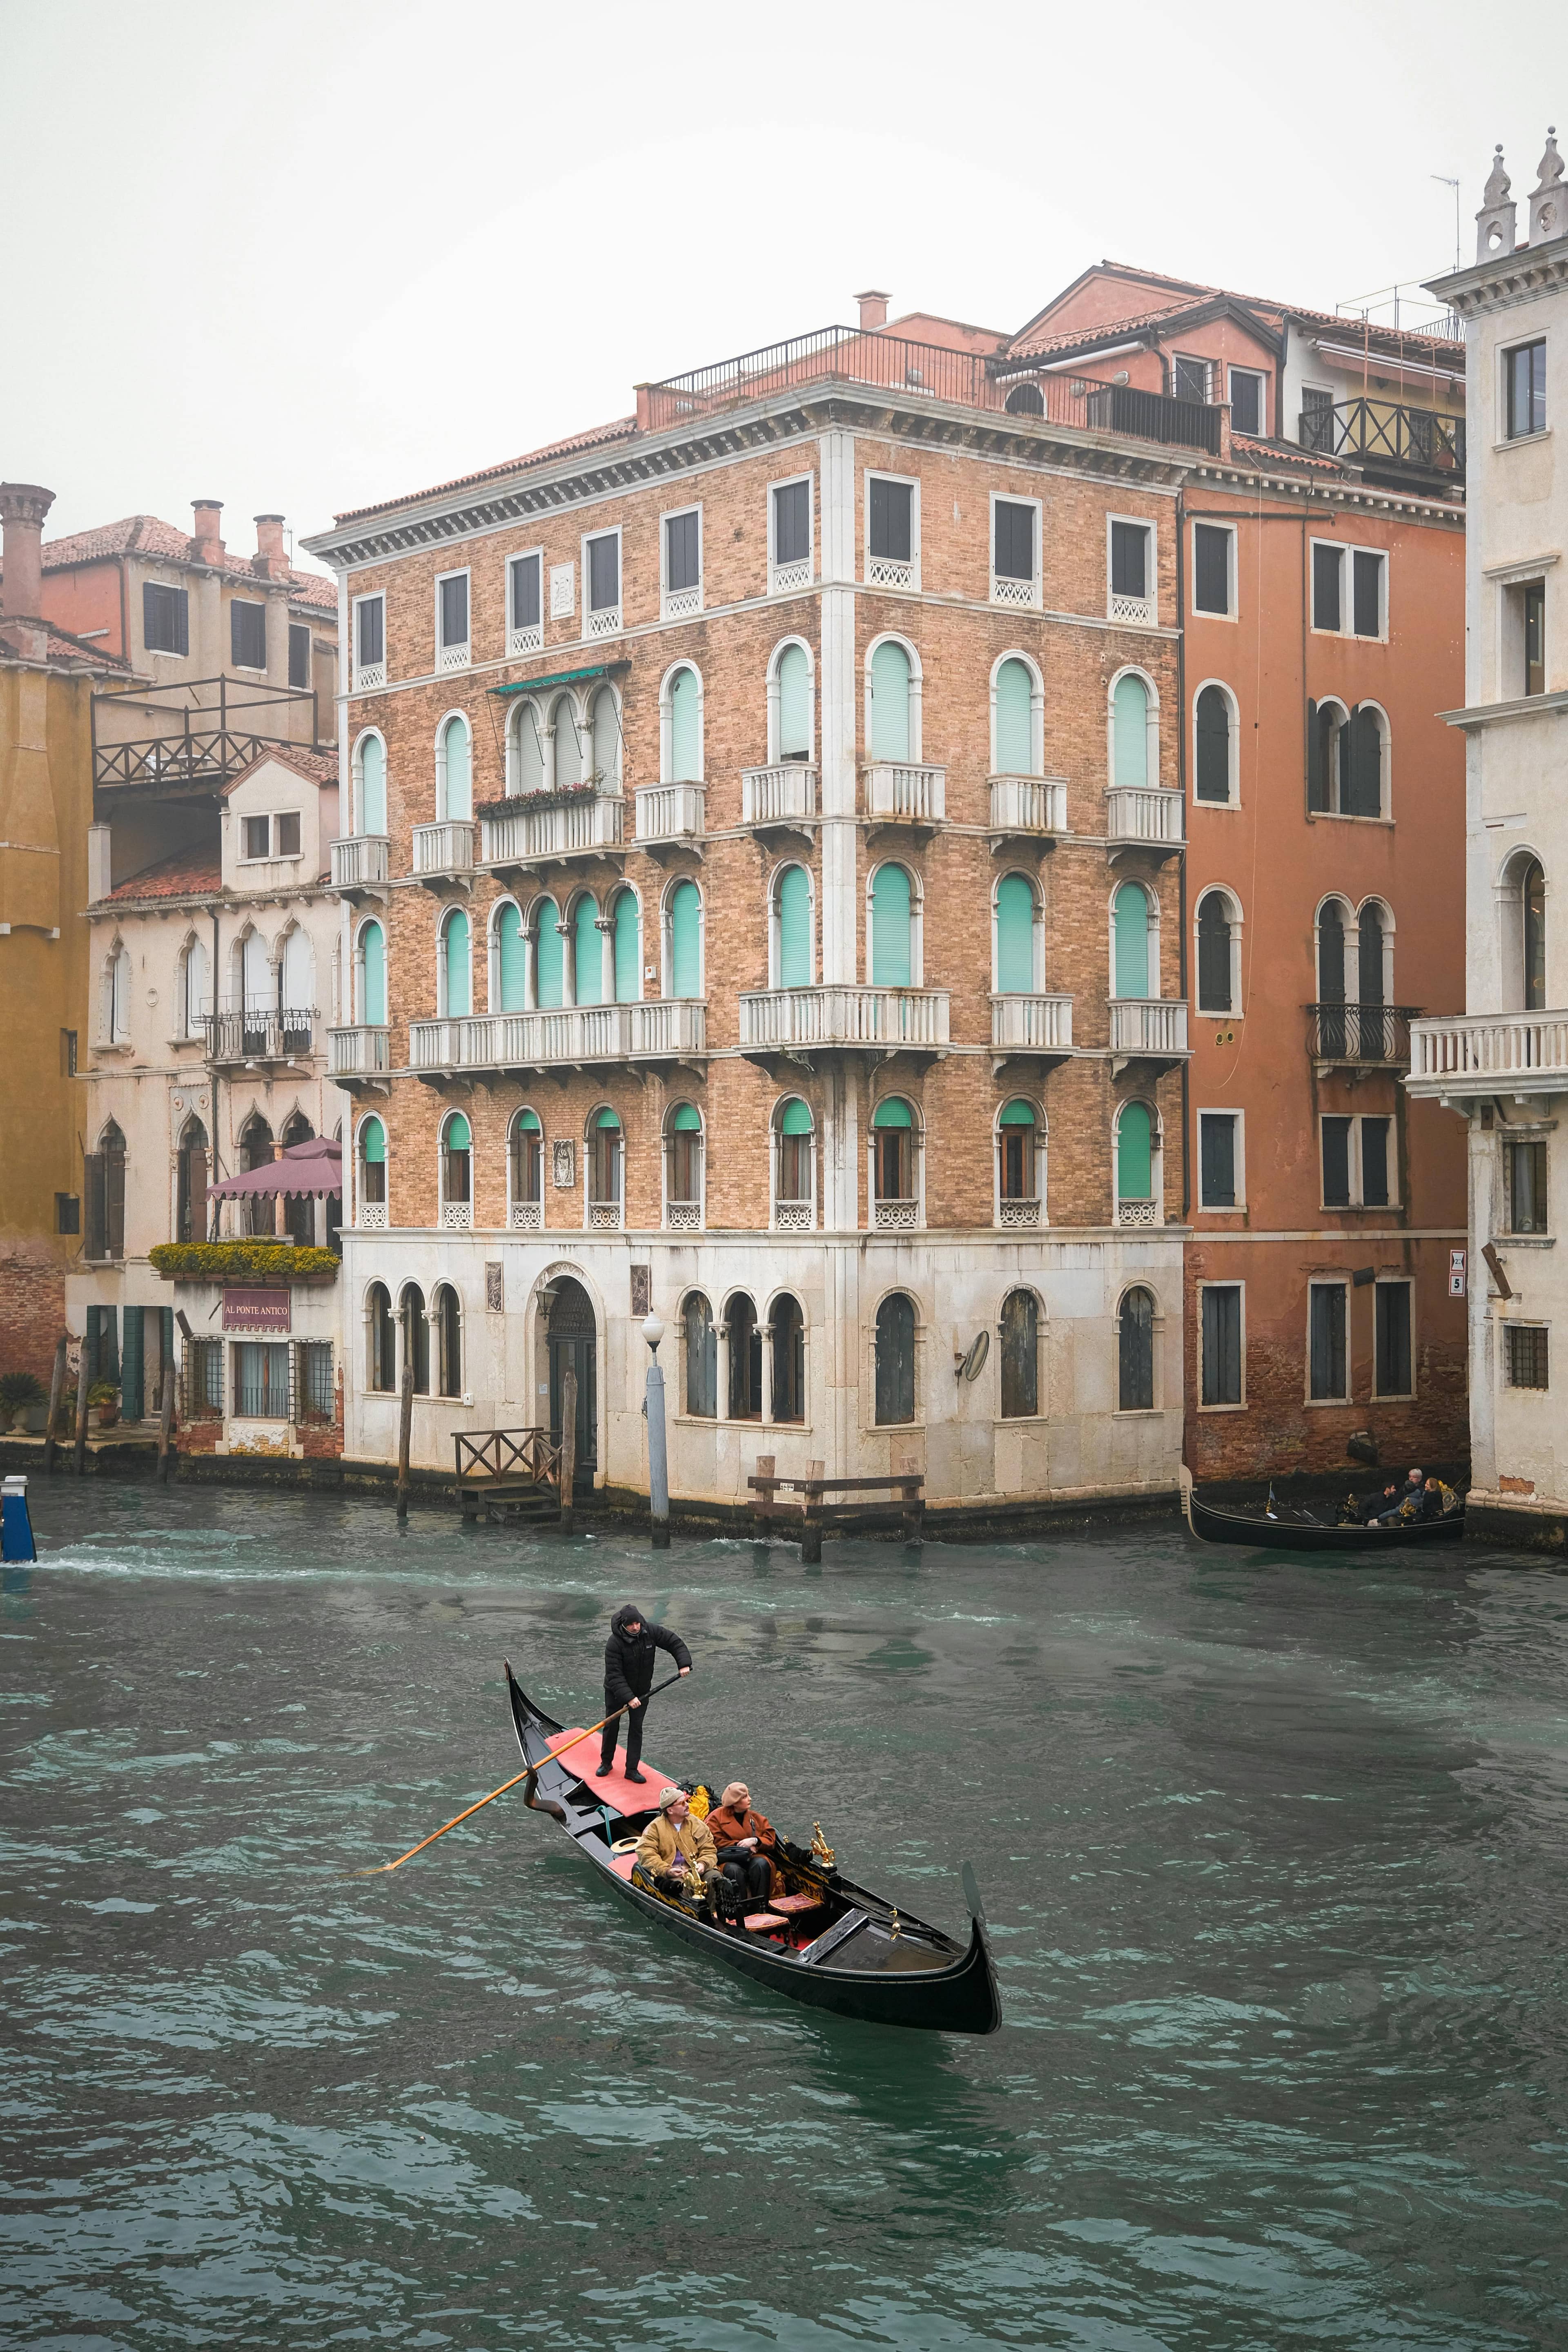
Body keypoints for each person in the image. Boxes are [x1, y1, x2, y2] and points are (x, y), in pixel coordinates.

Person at [597, 1601, 691, 1784]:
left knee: (636, 1729)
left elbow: (674, 1643)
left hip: (642, 1692)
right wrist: (629, 1698)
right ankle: (606, 1763)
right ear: (624, 1625)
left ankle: (631, 1770)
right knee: (612, 1726)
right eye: (631, 1624)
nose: (636, 1627)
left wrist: (683, 1663)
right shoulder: (614, 1643)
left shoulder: (650, 1632)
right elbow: (615, 1675)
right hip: (616, 1692)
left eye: (638, 1623)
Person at [633, 1785, 720, 1901]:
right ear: (670, 1810)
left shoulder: (696, 1824)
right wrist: (667, 1871)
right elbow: (646, 1854)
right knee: (681, 1888)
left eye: (686, 1801)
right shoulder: (655, 1828)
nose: (688, 1805)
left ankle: (719, 1915)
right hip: (674, 1875)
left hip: (700, 1869)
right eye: (683, 1803)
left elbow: (709, 1849)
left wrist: (703, 1864)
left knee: (716, 1879)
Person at [705, 1780, 783, 1907]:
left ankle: (761, 1908)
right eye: (745, 1797)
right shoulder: (716, 1818)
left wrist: (756, 1841)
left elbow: (770, 1838)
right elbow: (715, 1842)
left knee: (761, 1864)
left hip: (753, 1857)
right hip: (728, 1859)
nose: (750, 1799)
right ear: (735, 1802)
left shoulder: (755, 1817)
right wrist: (741, 1846)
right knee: (733, 1871)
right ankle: (740, 1912)